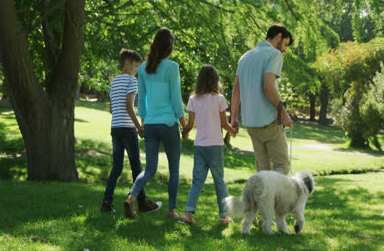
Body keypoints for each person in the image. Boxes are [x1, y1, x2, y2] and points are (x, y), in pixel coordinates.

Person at [124, 27, 187, 219]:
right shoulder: (172, 67)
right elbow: (176, 99)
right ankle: (171, 210)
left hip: (150, 123)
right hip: (168, 123)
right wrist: (184, 124)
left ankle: (131, 198)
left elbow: (141, 99)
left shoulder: (142, 68)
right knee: (174, 168)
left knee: (149, 169)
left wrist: (143, 123)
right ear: (169, 47)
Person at [101, 49, 162, 213]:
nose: (137, 71)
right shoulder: (132, 81)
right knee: (137, 167)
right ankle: (141, 202)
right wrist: (138, 127)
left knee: (117, 167)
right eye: (136, 67)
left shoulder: (114, 82)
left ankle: (106, 203)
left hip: (115, 128)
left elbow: (112, 108)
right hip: (128, 129)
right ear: (127, 64)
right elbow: (129, 105)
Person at [230, 23, 294, 175]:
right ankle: (278, 200)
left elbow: (236, 89)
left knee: (263, 172)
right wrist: (284, 114)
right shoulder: (274, 54)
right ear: (279, 37)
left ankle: (263, 200)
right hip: (270, 122)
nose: (284, 50)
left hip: (251, 123)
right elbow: (268, 86)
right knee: (282, 168)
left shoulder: (245, 56)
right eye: (285, 44)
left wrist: (233, 119)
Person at [180, 65, 237, 225]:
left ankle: (188, 214)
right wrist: (233, 131)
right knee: (219, 180)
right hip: (215, 146)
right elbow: (224, 124)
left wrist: (184, 132)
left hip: (199, 146)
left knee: (197, 181)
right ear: (215, 80)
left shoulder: (193, 99)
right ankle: (224, 216)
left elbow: (190, 125)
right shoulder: (219, 99)